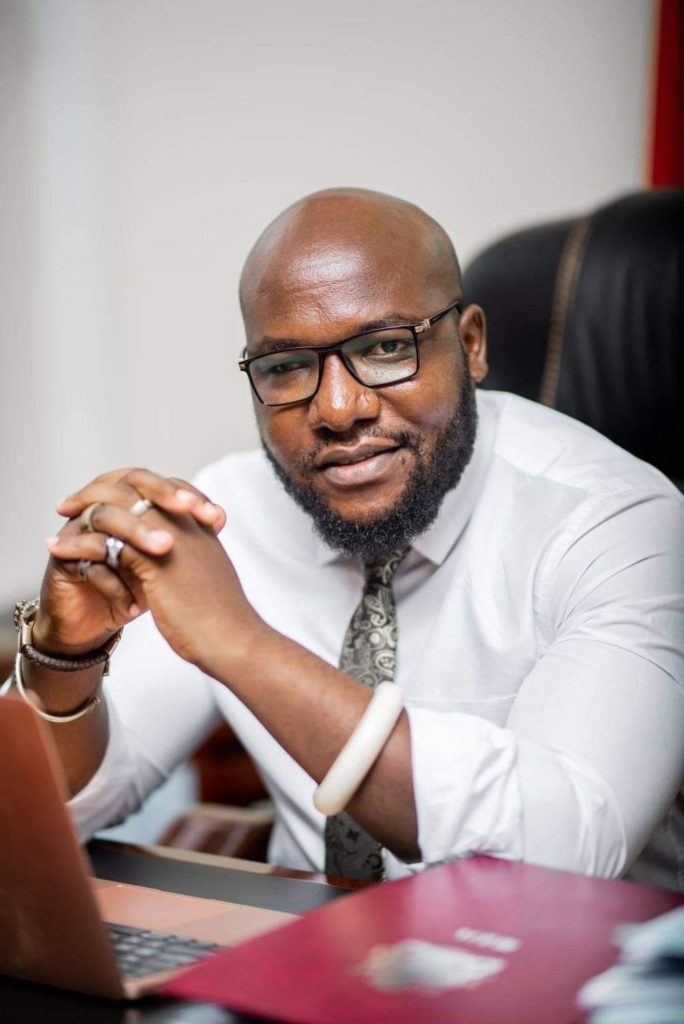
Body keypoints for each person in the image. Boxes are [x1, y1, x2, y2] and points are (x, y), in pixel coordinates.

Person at [10, 188, 684, 888]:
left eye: (387, 347)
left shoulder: (617, 522)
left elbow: (569, 850)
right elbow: (49, 814)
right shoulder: (228, 513)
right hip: (303, 940)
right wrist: (63, 656)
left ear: (471, 345)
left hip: (564, 955)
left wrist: (240, 643)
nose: (338, 409)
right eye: (287, 366)